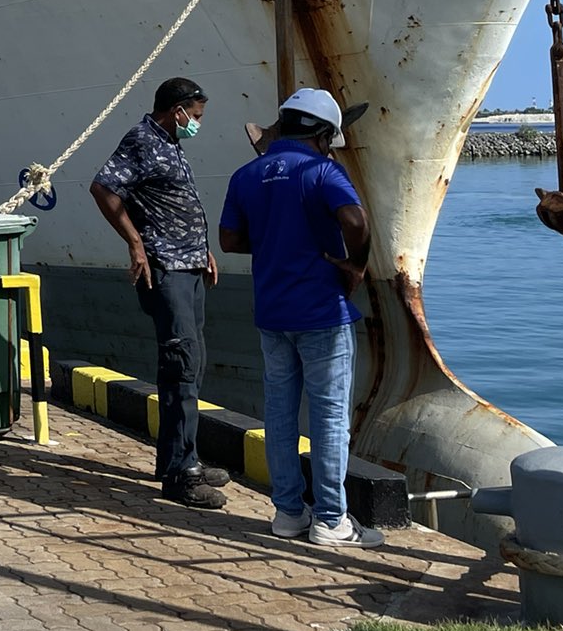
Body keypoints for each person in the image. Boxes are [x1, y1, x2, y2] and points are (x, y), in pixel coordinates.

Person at [218, 87, 383, 548]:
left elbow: (229, 240)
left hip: (272, 313)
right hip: (321, 312)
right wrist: (355, 264)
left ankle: (288, 513)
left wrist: (275, 244)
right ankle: (331, 520)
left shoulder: (247, 174)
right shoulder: (321, 170)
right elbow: (357, 222)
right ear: (321, 133)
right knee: (329, 417)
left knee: (279, 415)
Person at [90, 76, 229, 509]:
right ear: (178, 110)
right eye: (197, 116)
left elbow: (172, 201)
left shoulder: (169, 143)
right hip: (166, 269)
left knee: (193, 360)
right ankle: (179, 476)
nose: (198, 124)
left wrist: (202, 249)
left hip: (189, 266)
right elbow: (103, 187)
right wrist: (135, 243)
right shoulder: (142, 140)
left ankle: (180, 454)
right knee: (180, 364)